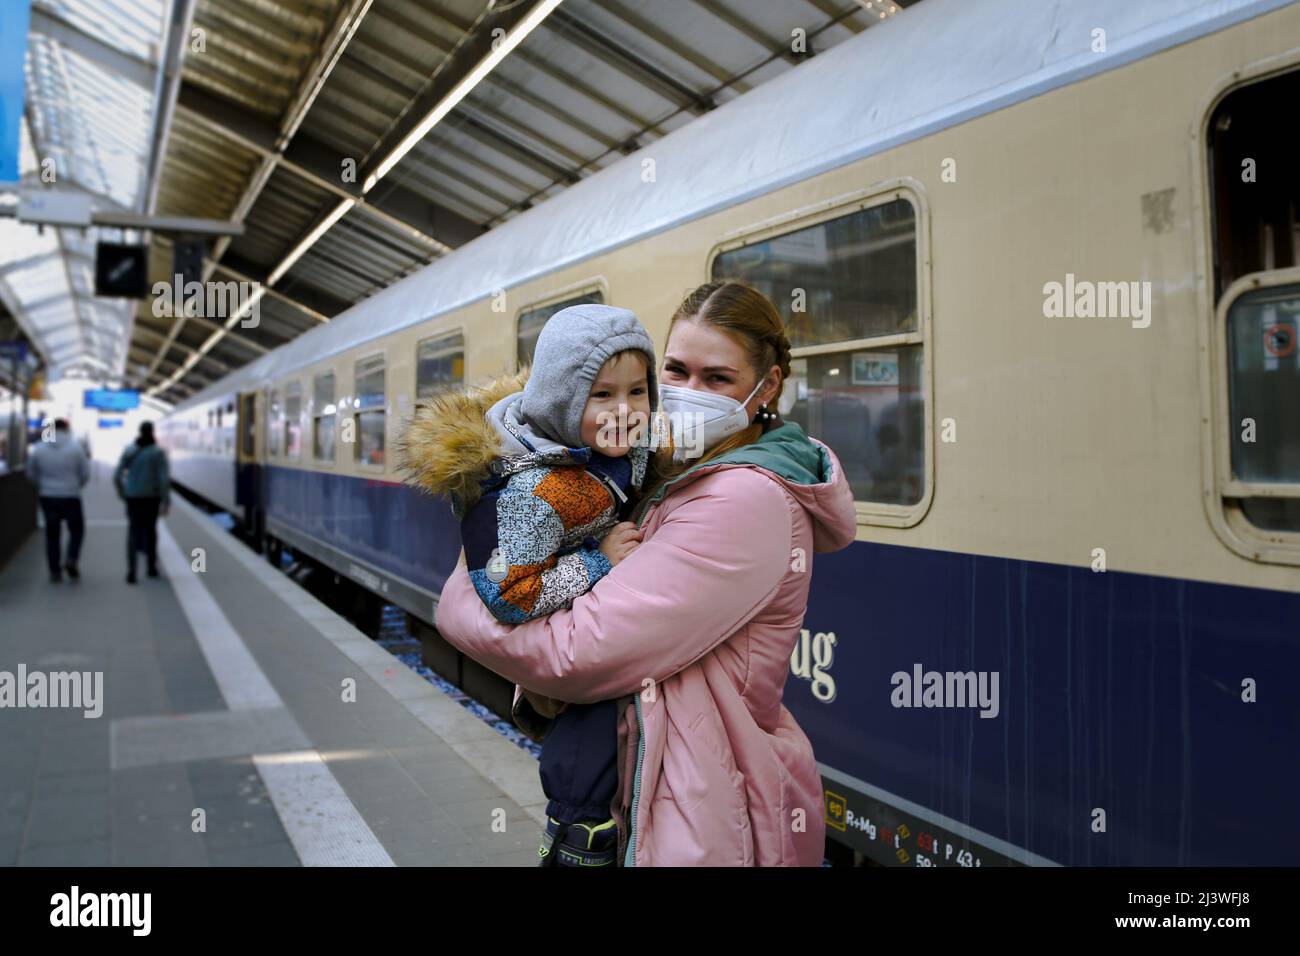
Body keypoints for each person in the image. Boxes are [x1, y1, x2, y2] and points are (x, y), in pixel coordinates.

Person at [432, 281, 858, 866]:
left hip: (703, 815)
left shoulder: (745, 499)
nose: (687, 393)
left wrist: (460, 594)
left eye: (717, 379)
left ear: (768, 387)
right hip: (662, 790)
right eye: (677, 371)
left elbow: (578, 655)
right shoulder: (665, 466)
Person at [400, 304, 660, 867]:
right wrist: (599, 560)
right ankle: (572, 848)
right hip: (565, 668)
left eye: (638, 392)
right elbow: (511, 594)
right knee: (584, 776)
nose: (626, 411)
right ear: (565, 403)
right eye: (602, 395)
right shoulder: (533, 494)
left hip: (598, 651)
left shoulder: (603, 450)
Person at [26, 418, 90, 582]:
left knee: (52, 534)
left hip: (48, 496)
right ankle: (71, 559)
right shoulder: (76, 447)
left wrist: (42, 485)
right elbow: (84, 473)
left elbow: (31, 473)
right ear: (67, 428)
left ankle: (55, 571)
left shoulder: (40, 448)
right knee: (76, 531)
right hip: (71, 495)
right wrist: (76, 485)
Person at [114, 421, 170, 584]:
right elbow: (163, 479)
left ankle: (131, 572)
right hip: (151, 498)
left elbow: (116, 476)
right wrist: (165, 499)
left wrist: (123, 494)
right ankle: (151, 568)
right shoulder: (158, 453)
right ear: (152, 432)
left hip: (133, 498)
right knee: (151, 531)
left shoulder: (129, 451)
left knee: (133, 532)